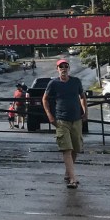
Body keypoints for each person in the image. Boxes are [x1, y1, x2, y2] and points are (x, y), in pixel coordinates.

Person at [42, 58, 88, 188]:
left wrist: (85, 112)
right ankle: (73, 179)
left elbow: (82, 97)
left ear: (69, 68)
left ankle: (68, 173)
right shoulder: (53, 83)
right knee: (67, 149)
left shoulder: (76, 81)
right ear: (57, 69)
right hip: (61, 120)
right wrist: (49, 115)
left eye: (66, 66)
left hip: (76, 119)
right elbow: (44, 99)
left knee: (76, 149)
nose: (63, 69)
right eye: (61, 67)